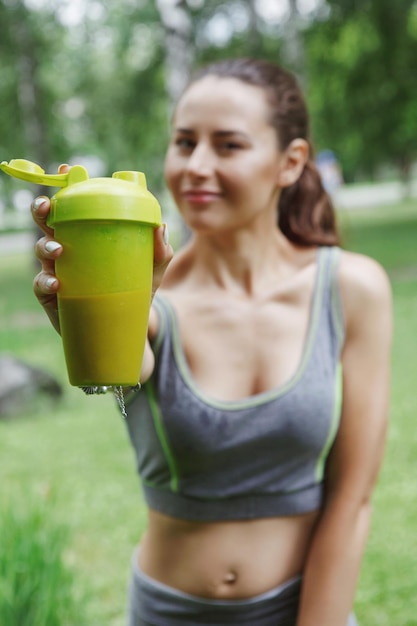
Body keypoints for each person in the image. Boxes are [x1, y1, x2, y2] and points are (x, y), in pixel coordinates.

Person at [31, 58, 392, 626]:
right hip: (165, 613)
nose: (196, 165)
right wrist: (95, 313)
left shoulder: (352, 289)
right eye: (183, 142)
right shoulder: (149, 295)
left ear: (290, 162)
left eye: (228, 145)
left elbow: (352, 498)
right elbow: (133, 362)